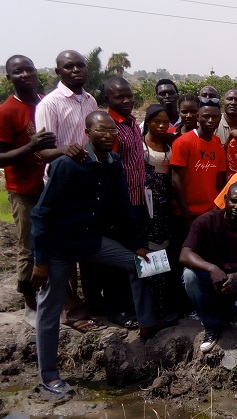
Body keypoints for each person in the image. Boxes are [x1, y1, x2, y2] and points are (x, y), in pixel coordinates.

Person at [30, 112, 165, 396]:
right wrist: (40, 261)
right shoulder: (67, 164)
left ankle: (147, 326)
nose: (108, 135)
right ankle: (49, 376)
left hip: (90, 240)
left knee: (137, 264)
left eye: (112, 131)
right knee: (49, 309)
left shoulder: (113, 163)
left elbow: (123, 205)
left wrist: (137, 244)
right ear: (87, 132)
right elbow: (41, 214)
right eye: (101, 130)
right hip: (59, 245)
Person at [34, 50, 100, 330]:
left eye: (80, 66)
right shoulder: (50, 104)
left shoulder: (90, 100)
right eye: (69, 66)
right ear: (58, 71)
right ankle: (70, 308)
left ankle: (88, 303)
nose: (76, 70)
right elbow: (43, 151)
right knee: (63, 252)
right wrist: (66, 150)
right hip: (61, 184)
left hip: (88, 184)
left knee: (86, 244)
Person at [0, 55, 55, 324]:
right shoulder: (5, 112)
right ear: (9, 78)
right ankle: (30, 303)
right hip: (23, 189)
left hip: (50, 186)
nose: (25, 75)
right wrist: (31, 146)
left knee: (54, 244)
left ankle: (58, 298)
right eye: (18, 72)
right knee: (29, 246)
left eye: (29, 69)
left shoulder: (45, 102)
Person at [180, 182, 237, 354]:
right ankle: (211, 327)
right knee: (189, 276)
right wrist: (211, 268)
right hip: (213, 279)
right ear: (225, 199)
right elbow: (185, 254)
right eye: (234, 201)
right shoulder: (206, 221)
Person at [104, 77, 148, 327]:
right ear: (107, 99)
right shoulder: (111, 127)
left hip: (138, 199)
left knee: (136, 254)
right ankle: (117, 309)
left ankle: (135, 305)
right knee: (120, 259)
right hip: (121, 205)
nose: (127, 100)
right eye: (120, 97)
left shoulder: (131, 122)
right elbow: (111, 168)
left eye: (129, 95)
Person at [142, 104, 179, 320]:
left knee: (166, 255)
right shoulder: (140, 146)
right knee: (150, 256)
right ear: (148, 122)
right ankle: (152, 309)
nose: (162, 125)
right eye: (157, 122)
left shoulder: (169, 143)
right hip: (148, 208)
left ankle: (165, 306)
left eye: (166, 122)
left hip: (167, 205)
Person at [170, 99, 227, 228]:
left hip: (210, 212)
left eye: (215, 117)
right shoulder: (183, 142)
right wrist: (186, 215)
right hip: (187, 213)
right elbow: (175, 180)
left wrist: (216, 211)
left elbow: (219, 183)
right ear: (198, 117)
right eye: (206, 116)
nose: (211, 120)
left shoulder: (217, 143)